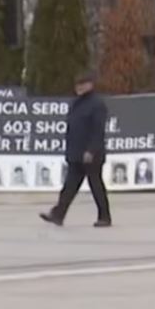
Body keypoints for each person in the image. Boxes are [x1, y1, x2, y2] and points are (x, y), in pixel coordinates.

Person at [41, 72, 112, 228]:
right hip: (75, 153)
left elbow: (98, 130)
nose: (79, 88)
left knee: (96, 185)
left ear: (90, 85)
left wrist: (91, 151)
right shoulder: (76, 103)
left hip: (91, 154)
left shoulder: (97, 104)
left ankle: (105, 216)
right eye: (77, 85)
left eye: (82, 84)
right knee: (69, 187)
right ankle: (58, 214)